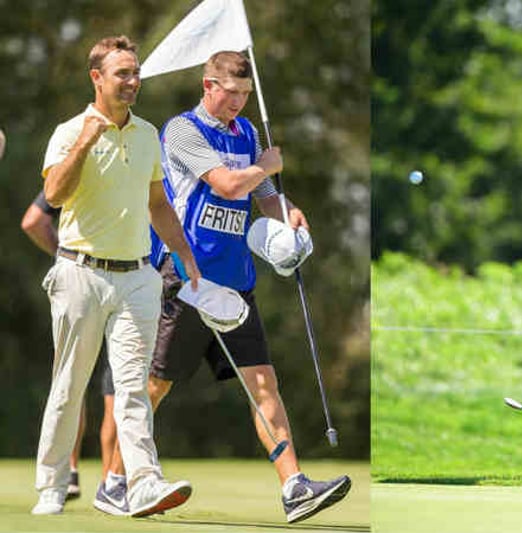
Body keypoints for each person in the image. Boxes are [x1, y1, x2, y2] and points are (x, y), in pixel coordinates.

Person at [104, 50, 348, 524]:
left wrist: (286, 212)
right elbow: (227, 185)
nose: (237, 103)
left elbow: (260, 196)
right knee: (154, 387)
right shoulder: (181, 130)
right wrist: (269, 166)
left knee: (264, 385)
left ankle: (294, 486)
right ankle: (116, 482)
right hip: (187, 279)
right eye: (230, 93)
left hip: (237, 283)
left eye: (245, 95)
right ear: (208, 85)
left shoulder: (249, 133)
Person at [34, 35, 200, 517]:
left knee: (133, 389)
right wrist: (86, 141)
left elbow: (157, 205)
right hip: (79, 273)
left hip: (137, 278)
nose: (132, 81)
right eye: (122, 73)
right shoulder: (69, 131)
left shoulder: (149, 134)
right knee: (69, 384)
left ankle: (143, 482)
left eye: (135, 73)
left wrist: (185, 256)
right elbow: (55, 193)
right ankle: (52, 483)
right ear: (97, 78)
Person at [21, 190, 122, 504]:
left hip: (78, 283)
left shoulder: (71, 168)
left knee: (71, 382)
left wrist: (63, 254)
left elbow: (33, 222)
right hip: (126, 282)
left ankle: (69, 472)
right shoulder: (136, 164)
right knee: (119, 389)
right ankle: (112, 483)